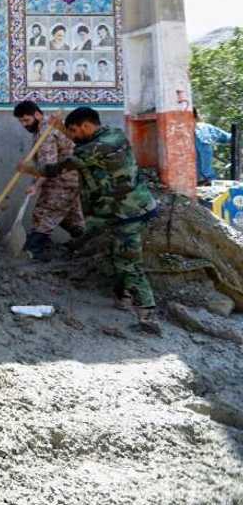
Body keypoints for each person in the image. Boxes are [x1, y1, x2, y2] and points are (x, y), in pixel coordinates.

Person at [17, 107, 160, 333]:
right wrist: (61, 128)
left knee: (130, 263)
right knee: (116, 253)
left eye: (73, 130)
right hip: (117, 211)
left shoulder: (99, 147)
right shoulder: (111, 134)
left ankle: (148, 318)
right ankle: (122, 297)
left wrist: (30, 169)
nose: (71, 135)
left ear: (86, 126)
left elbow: (59, 167)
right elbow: (78, 144)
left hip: (129, 212)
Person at [12, 101, 85, 260]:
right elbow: (43, 165)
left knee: (44, 213)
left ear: (37, 115)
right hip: (71, 179)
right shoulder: (41, 131)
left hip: (62, 181)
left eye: (26, 120)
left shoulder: (47, 132)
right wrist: (34, 184)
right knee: (70, 217)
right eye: (21, 121)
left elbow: (49, 166)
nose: (24, 125)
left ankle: (32, 252)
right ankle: (86, 242)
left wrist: (36, 186)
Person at [194, 108, 232, 185]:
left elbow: (229, 137)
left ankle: (208, 180)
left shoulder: (204, 128)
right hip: (192, 180)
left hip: (206, 179)